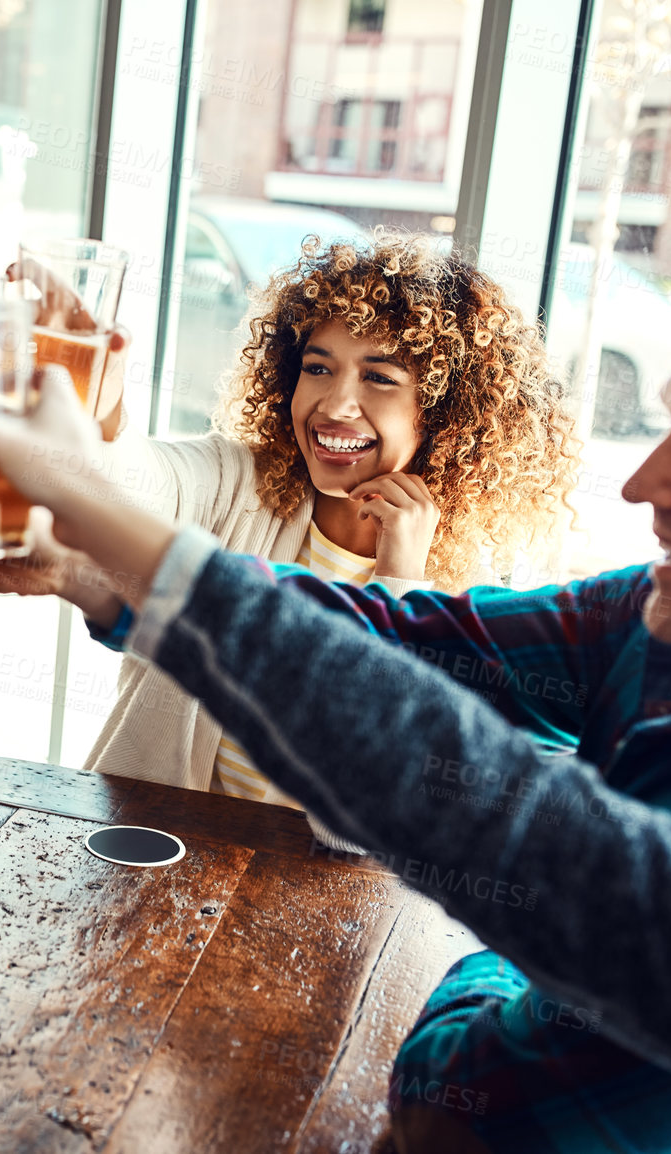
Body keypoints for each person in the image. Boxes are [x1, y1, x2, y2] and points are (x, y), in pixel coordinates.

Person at [0, 220, 671, 1152]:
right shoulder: (657, 617)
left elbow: (476, 1061)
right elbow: (396, 662)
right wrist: (93, 564)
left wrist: (490, 966)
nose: (638, 481)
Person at [39, 234, 577, 834]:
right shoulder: (240, 484)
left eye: (379, 378)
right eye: (318, 368)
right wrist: (101, 403)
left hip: (309, 910)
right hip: (139, 863)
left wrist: (401, 581)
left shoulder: (467, 597)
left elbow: (381, 819)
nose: (334, 405)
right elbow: (141, 484)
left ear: (444, 414)